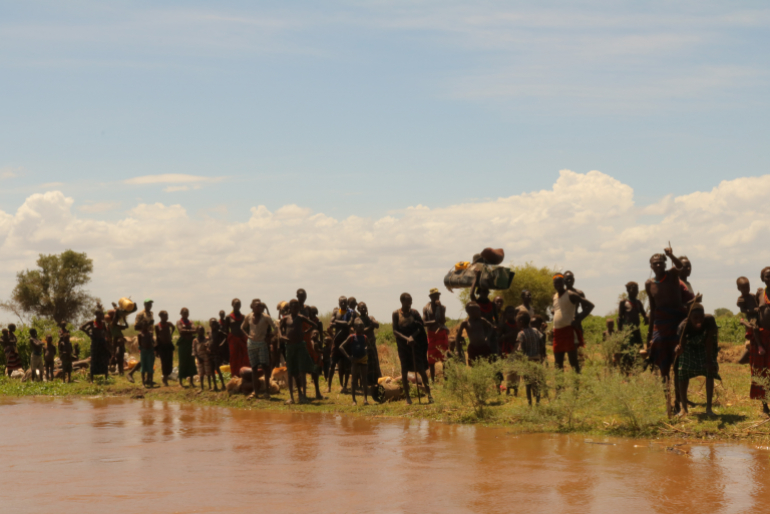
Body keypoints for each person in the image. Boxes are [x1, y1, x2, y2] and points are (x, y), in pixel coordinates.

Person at [645, 248, 694, 387]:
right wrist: (650, 334)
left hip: (677, 320)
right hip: (660, 324)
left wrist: (670, 255)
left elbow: (679, 266)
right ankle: (668, 398)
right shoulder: (649, 284)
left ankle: (679, 400)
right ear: (651, 266)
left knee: (678, 360)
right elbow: (653, 308)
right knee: (663, 364)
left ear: (665, 264)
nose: (659, 265)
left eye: (661, 263)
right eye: (655, 263)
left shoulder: (672, 275)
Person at [674, 303, 719, 417]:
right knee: (682, 371)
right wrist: (678, 350)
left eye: (701, 317)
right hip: (689, 347)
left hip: (705, 347)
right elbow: (681, 347)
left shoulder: (709, 320)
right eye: (695, 318)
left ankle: (709, 409)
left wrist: (709, 361)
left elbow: (709, 341)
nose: (699, 321)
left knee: (710, 371)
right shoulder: (683, 326)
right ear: (689, 318)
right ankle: (684, 409)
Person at [392, 293, 433, 404]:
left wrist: (412, 337)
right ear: (402, 302)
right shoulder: (396, 314)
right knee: (404, 371)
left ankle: (429, 395)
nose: (410, 303)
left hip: (415, 346)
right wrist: (406, 338)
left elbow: (420, 327)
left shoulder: (415, 313)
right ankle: (408, 398)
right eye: (408, 301)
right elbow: (395, 331)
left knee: (422, 371)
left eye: (411, 301)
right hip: (403, 347)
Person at [552, 273, 594, 373]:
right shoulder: (554, 296)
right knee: (558, 363)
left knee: (573, 362)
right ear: (553, 284)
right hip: (557, 333)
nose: (558, 284)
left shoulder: (571, 294)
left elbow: (590, 306)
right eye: (555, 283)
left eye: (560, 282)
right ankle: (559, 387)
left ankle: (576, 386)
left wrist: (578, 320)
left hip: (568, 331)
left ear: (563, 283)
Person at [279, 299, 317, 404]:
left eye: (297, 307)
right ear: (290, 308)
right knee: (291, 372)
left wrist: (305, 332)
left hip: (300, 347)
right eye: (293, 307)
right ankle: (291, 397)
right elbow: (280, 331)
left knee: (302, 371)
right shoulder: (285, 319)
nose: (295, 309)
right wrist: (283, 337)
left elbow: (314, 325)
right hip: (290, 348)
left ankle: (303, 396)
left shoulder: (301, 318)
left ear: (299, 308)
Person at [242, 299, 274, 401]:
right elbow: (242, 327)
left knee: (265, 366)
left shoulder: (266, 317)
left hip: (262, 344)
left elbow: (275, 328)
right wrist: (248, 336)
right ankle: (255, 391)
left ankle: (267, 391)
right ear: (252, 307)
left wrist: (270, 337)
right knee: (254, 368)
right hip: (251, 344)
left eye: (260, 306)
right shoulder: (249, 316)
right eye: (257, 306)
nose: (259, 308)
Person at [516, 310, 546, 406]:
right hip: (536, 358)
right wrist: (540, 354)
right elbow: (541, 343)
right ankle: (538, 402)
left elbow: (521, 348)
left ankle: (530, 404)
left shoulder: (521, 334)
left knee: (528, 383)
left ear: (521, 322)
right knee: (536, 381)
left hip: (527, 360)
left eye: (517, 321)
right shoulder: (536, 330)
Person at [751, 267, 770, 415]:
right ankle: (765, 406)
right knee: (762, 371)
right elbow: (754, 316)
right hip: (762, 338)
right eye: (767, 276)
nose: (769, 279)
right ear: (763, 278)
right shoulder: (759, 294)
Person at [297, 290, 323, 399]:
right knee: (300, 368)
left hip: (308, 340)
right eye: (300, 296)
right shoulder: (293, 307)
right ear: (297, 296)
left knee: (314, 363)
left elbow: (313, 323)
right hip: (298, 339)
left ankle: (317, 392)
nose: (302, 298)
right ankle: (303, 394)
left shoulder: (307, 308)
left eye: (304, 296)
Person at [617, 281, 649, 369]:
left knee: (640, 349)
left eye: (637, 290)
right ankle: (628, 369)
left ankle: (637, 368)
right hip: (628, 331)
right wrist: (620, 332)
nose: (636, 292)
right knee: (629, 351)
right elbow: (619, 318)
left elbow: (644, 313)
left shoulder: (638, 302)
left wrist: (646, 317)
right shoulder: (623, 302)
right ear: (628, 290)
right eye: (634, 289)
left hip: (637, 331)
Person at [340, 319, 371, 405]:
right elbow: (341, 347)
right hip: (354, 360)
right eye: (359, 326)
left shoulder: (365, 337)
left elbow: (369, 346)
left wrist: (366, 349)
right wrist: (348, 357)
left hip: (363, 359)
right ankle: (354, 400)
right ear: (355, 327)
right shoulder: (351, 337)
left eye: (362, 327)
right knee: (353, 380)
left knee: (364, 379)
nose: (361, 328)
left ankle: (365, 399)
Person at [327, 296, 353, 393]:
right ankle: (329, 386)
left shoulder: (350, 313)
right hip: (337, 341)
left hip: (347, 342)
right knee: (332, 364)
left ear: (347, 303)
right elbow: (331, 324)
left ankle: (345, 386)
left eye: (345, 302)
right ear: (339, 303)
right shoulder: (336, 312)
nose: (343, 304)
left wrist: (337, 323)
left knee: (347, 366)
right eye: (341, 302)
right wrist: (343, 323)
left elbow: (349, 324)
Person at [423, 288, 449, 383]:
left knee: (444, 358)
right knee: (431, 359)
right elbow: (424, 322)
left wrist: (440, 307)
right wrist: (434, 321)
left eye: (437, 296)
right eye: (434, 296)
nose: (436, 298)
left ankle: (446, 380)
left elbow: (442, 320)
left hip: (441, 333)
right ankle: (433, 380)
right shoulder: (426, 308)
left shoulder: (443, 307)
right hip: (431, 335)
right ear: (430, 297)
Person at [81, 307, 110, 383]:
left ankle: (106, 378)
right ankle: (92, 379)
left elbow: (106, 331)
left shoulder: (103, 323)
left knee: (104, 359)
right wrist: (88, 333)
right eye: (100, 315)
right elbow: (81, 327)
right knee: (94, 360)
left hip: (102, 342)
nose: (102, 316)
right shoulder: (91, 322)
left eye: (102, 315)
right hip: (95, 343)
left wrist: (105, 336)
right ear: (96, 315)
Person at [357, 302, 382, 386]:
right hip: (363, 345)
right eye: (361, 308)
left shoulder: (370, 317)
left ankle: (375, 380)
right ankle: (365, 381)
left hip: (372, 344)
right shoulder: (358, 320)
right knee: (365, 363)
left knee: (374, 363)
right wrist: (371, 327)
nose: (364, 309)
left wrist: (373, 323)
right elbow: (362, 331)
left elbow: (377, 325)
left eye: (365, 307)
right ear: (358, 310)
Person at [563, 271, 590, 349]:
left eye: (571, 279)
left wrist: (578, 318)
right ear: (563, 280)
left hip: (576, 323)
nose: (569, 281)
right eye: (567, 279)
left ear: (574, 280)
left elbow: (586, 308)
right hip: (564, 323)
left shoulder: (579, 293)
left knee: (579, 346)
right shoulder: (561, 293)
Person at [498, 305, 519, 396]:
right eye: (509, 312)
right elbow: (500, 338)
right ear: (505, 315)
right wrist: (508, 335)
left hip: (518, 348)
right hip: (509, 350)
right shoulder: (504, 326)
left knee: (517, 370)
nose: (511, 314)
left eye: (513, 312)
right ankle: (509, 389)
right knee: (511, 370)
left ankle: (515, 390)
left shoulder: (518, 324)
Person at [226, 299, 248, 378]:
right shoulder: (228, 317)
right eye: (235, 304)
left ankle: (244, 375)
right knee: (234, 358)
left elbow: (246, 328)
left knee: (244, 357)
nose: (237, 306)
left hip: (242, 339)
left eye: (239, 304)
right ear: (232, 305)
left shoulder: (244, 317)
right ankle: (235, 376)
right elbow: (226, 330)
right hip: (233, 340)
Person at [176, 308, 198, 388]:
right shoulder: (179, 322)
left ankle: (191, 382)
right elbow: (181, 331)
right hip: (183, 344)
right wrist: (190, 331)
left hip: (190, 343)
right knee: (182, 362)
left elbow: (195, 330)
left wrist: (187, 331)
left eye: (187, 313)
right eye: (184, 313)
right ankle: (180, 382)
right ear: (181, 313)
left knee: (191, 362)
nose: (185, 314)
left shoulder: (190, 322)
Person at [154, 311, 176, 386]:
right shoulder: (157, 326)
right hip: (162, 347)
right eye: (165, 316)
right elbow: (157, 337)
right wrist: (156, 350)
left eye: (167, 315)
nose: (167, 317)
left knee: (170, 362)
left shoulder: (169, 324)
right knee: (164, 363)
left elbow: (173, 328)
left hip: (169, 345)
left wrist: (170, 334)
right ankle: (165, 379)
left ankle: (167, 376)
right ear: (161, 317)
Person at [208, 318, 227, 390]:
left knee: (217, 368)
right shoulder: (209, 332)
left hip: (217, 352)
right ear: (210, 324)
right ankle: (215, 386)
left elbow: (226, 336)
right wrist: (207, 347)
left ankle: (223, 385)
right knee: (212, 369)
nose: (214, 325)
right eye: (212, 324)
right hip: (210, 353)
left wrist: (221, 344)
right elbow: (209, 340)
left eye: (215, 323)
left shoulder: (219, 332)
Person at [109, 308, 129, 375]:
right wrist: (117, 311)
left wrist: (124, 319)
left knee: (121, 355)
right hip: (116, 340)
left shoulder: (116, 325)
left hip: (120, 340)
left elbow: (126, 326)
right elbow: (115, 319)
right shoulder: (111, 324)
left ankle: (121, 371)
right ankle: (119, 370)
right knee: (117, 355)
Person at [193, 326, 214, 391]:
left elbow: (209, 347)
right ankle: (202, 387)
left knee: (208, 372)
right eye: (199, 330)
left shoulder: (206, 339)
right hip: (199, 358)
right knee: (201, 373)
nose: (201, 332)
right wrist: (198, 358)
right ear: (197, 332)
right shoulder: (195, 340)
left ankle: (210, 386)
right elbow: (194, 351)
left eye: (202, 330)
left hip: (206, 357)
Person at [137, 320, 156, 387]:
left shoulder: (150, 333)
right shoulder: (140, 334)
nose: (145, 327)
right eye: (144, 325)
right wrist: (140, 351)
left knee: (150, 366)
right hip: (143, 352)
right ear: (142, 326)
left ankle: (150, 382)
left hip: (150, 351)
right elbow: (139, 344)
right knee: (143, 367)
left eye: (147, 326)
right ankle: (143, 383)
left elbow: (152, 341)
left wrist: (154, 348)